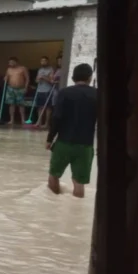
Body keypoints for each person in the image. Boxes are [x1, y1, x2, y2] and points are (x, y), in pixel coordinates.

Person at [47, 63, 97, 198]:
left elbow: (56, 118)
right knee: (79, 183)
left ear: (74, 77)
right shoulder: (97, 94)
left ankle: (52, 206)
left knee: (54, 176)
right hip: (85, 145)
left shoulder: (64, 92)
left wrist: (49, 139)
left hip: (64, 142)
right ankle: (77, 212)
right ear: (90, 77)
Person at [4, 57, 29, 125]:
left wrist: (26, 88)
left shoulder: (23, 68)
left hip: (20, 88)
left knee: (21, 104)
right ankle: (11, 120)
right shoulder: (8, 69)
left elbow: (27, 79)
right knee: (11, 104)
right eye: (9, 62)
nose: (10, 64)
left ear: (16, 62)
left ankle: (23, 120)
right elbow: (6, 78)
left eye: (12, 62)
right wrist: (5, 79)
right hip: (10, 88)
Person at [34, 56, 56, 128]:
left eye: (44, 61)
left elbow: (52, 81)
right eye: (42, 61)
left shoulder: (51, 70)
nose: (43, 62)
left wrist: (44, 77)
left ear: (47, 61)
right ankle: (39, 122)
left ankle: (46, 123)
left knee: (47, 108)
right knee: (39, 107)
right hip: (39, 90)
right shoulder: (40, 70)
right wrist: (37, 79)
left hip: (47, 90)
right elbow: (36, 80)